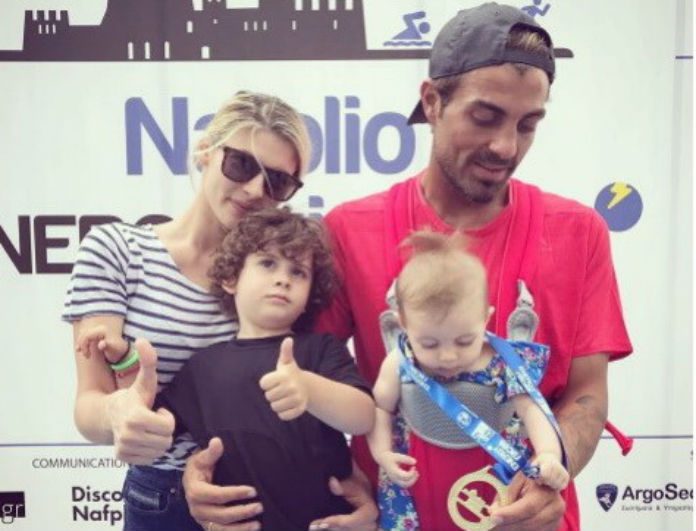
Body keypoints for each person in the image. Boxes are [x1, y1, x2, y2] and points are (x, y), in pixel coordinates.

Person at [184, 3, 633, 531]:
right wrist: (208, 468)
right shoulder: (348, 230)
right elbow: (296, 379)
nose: (505, 145)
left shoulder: (579, 231)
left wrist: (548, 478)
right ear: (433, 101)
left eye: (528, 125)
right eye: (485, 117)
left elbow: (587, 394)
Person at [64, 90, 377, 531]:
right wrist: (121, 412)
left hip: (286, 496)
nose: (255, 190)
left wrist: (350, 479)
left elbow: (325, 407)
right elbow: (94, 405)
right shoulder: (117, 250)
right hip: (164, 500)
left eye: (276, 181)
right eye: (241, 164)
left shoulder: (284, 275)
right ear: (205, 152)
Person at [157, 206, 376, 531]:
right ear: (231, 278)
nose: (283, 279)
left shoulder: (321, 350)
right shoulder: (202, 367)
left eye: (298, 272)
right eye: (268, 263)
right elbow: (158, 427)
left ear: (310, 294)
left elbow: (363, 417)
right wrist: (123, 364)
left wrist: (309, 389)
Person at [367, 231, 568, 530]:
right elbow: (380, 408)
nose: (448, 356)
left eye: (464, 341)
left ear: (485, 319)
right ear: (404, 325)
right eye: (429, 344)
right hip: (416, 486)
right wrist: (383, 454)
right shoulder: (400, 361)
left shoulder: (504, 361)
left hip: (495, 481)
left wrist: (549, 454)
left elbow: (531, 410)